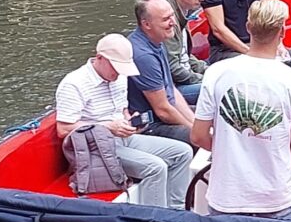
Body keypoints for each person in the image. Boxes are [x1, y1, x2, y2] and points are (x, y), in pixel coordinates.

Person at [191, 0, 291, 219]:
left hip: (226, 196)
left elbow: (198, 136)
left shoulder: (216, 73)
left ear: (248, 28)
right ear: (282, 31)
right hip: (275, 197)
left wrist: (225, 151)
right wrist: (281, 170)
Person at [55, 33, 192, 209]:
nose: (119, 72)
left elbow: (122, 110)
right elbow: (63, 129)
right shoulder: (74, 84)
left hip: (123, 138)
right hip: (95, 148)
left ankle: (176, 210)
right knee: (155, 167)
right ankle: (154, 219)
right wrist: (108, 127)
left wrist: (130, 121)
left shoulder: (119, 77)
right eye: (116, 67)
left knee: (182, 152)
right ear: (100, 58)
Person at [128, 0, 196, 145]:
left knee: (213, 117)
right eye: (166, 19)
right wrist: (196, 132)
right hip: (149, 126)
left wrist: (195, 124)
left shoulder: (158, 41)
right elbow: (163, 110)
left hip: (165, 113)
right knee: (196, 137)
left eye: (172, 16)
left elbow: (170, 90)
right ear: (146, 24)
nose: (173, 22)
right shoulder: (143, 56)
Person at [163, 0, 208, 106]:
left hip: (185, 77)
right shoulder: (167, 18)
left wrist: (206, 69)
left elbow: (185, 56)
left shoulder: (182, 11)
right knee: (218, 88)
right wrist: (202, 78)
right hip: (174, 88)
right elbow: (173, 69)